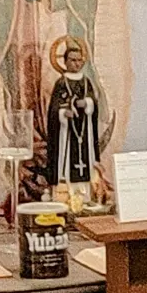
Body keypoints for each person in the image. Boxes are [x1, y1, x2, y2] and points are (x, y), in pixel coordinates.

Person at [46, 44, 99, 190]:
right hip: (67, 131)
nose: (76, 63)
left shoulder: (86, 82)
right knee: (68, 159)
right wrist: (63, 113)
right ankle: (66, 189)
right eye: (73, 60)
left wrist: (87, 103)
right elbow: (54, 108)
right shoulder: (61, 83)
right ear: (65, 62)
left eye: (79, 60)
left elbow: (93, 101)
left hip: (85, 127)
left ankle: (86, 190)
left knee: (85, 158)